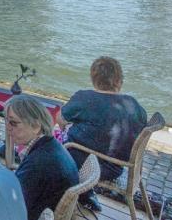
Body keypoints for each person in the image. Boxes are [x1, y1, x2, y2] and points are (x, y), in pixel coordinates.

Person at [57, 56, 147, 212]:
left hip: (83, 165)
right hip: (116, 167)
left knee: (51, 138)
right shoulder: (134, 104)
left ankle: (56, 196)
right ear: (119, 80)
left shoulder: (85, 98)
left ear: (93, 78)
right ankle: (85, 193)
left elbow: (60, 119)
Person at [6, 95, 79, 220]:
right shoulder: (51, 146)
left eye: (13, 122)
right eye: (7, 121)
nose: (7, 127)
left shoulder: (38, 165)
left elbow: (13, 209)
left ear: (36, 126)